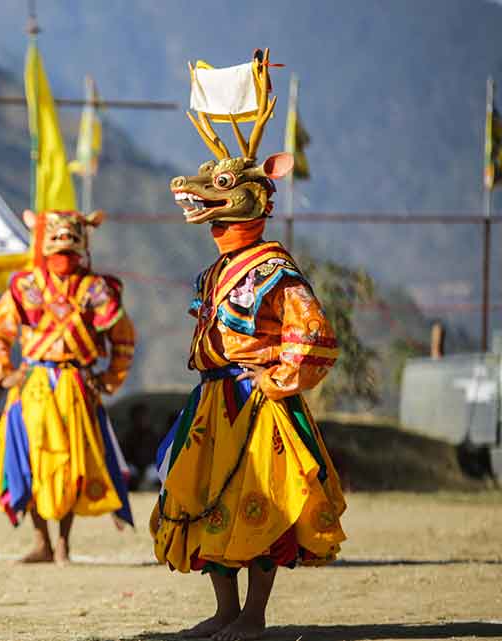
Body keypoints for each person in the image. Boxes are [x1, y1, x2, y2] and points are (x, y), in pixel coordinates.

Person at [152, 50, 346, 641]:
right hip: (213, 402)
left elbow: (311, 335)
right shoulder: (216, 271)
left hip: (260, 404)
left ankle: (255, 615)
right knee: (206, 497)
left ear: (257, 196)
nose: (200, 197)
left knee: (257, 502)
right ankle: (224, 611)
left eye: (221, 189)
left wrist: (277, 379)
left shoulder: (275, 267)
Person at [0, 208, 136, 564]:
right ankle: (42, 541)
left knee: (72, 462)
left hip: (76, 384)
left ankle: (64, 541)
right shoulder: (26, 285)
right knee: (33, 460)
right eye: (56, 238)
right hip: (34, 384)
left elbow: (123, 337)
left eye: (70, 240)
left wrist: (109, 379)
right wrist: (5, 373)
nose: (63, 248)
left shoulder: (96, 289)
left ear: (82, 243)